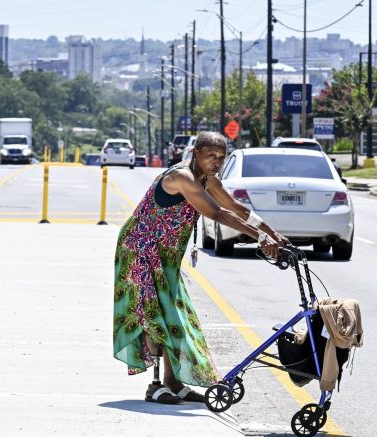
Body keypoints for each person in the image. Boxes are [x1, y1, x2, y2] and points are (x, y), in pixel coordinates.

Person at [112, 131, 289, 404]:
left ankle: (173, 382)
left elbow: (237, 208)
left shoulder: (209, 180)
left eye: (221, 157)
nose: (216, 162)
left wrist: (273, 233)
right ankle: (155, 386)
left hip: (167, 255)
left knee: (179, 317)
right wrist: (261, 238)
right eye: (211, 156)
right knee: (157, 317)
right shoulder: (182, 177)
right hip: (141, 249)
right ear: (195, 153)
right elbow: (217, 213)